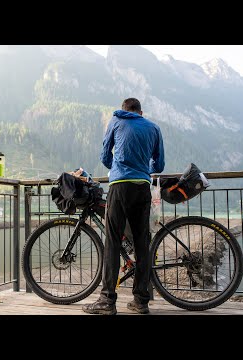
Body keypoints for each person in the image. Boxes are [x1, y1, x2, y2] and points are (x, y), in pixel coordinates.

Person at [82, 98, 165, 315]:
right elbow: (160, 164)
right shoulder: (154, 128)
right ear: (141, 112)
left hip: (119, 186)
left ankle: (107, 301)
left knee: (112, 241)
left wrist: (117, 167)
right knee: (142, 243)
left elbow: (104, 156)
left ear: (124, 109)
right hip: (142, 187)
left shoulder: (116, 121)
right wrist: (144, 168)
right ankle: (141, 301)